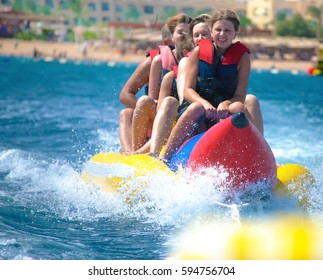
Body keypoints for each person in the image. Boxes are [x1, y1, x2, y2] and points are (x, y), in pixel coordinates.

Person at [160, 9, 256, 162]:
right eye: (218, 30)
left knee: (239, 107)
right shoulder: (199, 51)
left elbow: (240, 95)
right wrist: (204, 104)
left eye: (227, 30)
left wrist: (226, 103)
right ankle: (165, 158)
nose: (222, 34)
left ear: (235, 33)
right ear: (211, 31)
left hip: (222, 112)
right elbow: (187, 90)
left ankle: (260, 156)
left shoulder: (243, 57)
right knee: (195, 107)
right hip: (197, 111)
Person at [130, 13, 193, 154]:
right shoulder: (160, 61)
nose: (184, 36)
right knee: (145, 102)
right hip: (164, 113)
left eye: (188, 33)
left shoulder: (198, 59)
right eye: (180, 32)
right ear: (171, 36)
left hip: (187, 116)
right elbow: (152, 100)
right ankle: (136, 154)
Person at [118, 24, 172, 153]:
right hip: (153, 113)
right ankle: (129, 154)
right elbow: (125, 95)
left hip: (171, 115)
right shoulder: (152, 61)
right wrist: (144, 112)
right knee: (126, 113)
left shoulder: (192, 60)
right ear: (168, 41)